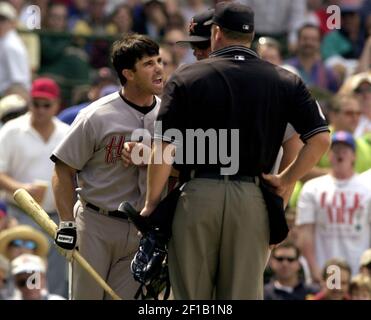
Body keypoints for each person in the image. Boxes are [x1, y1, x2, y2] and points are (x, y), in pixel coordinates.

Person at [139, 2, 330, 299]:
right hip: (252, 198)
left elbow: (163, 147)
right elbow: (320, 140)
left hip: (197, 194)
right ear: (251, 35)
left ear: (216, 33)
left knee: (191, 300)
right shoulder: (284, 79)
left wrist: (152, 203)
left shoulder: (186, 77)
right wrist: (286, 179)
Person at [51, 34, 164, 300]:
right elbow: (63, 170)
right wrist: (66, 223)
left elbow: (181, 168)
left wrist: (150, 157)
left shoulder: (168, 114)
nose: (159, 68)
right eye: (148, 63)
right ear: (128, 74)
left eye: (159, 60)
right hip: (95, 224)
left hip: (141, 228)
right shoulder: (95, 115)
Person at [0, 77, 70, 297]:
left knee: (56, 276)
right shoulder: (12, 130)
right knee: (21, 273)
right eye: (35, 103)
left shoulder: (66, 132)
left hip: (56, 215)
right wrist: (21, 189)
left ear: (57, 105)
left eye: (46, 104)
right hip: (20, 214)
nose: (40, 109)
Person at [296, 131, 371, 281]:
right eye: (335, 150)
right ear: (328, 155)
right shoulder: (313, 188)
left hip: (359, 270)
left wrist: (368, 270)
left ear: (354, 156)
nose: (340, 154)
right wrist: (314, 269)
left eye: (345, 150)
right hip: (325, 270)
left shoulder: (367, 188)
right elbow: (305, 232)